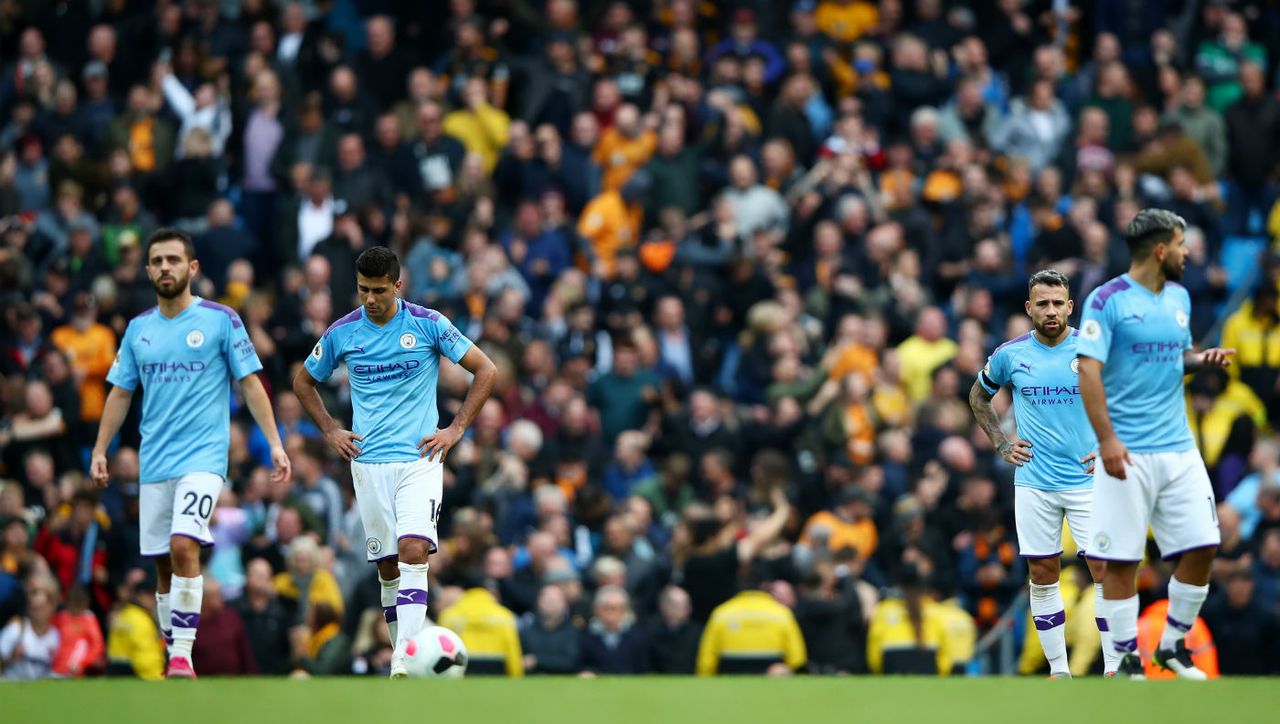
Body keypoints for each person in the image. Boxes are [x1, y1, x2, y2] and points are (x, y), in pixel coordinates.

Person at [90, 228, 293, 679]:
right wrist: (101, 449)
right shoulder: (138, 329)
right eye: (157, 261)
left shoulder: (221, 320)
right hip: (154, 461)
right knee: (163, 561)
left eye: (173, 260)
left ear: (192, 268)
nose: (165, 267)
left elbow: (251, 384)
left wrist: (275, 443)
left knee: (186, 544)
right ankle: (173, 653)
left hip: (203, 458)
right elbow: (121, 393)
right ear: (147, 270)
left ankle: (182, 654)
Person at [293, 246, 497, 678]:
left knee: (413, 550)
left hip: (420, 459)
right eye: (363, 290)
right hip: (368, 465)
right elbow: (303, 381)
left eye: (379, 290)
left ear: (398, 285)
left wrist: (456, 428)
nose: (370, 299)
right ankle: (405, 658)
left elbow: (486, 370)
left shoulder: (428, 324)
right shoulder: (343, 332)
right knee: (388, 565)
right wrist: (330, 429)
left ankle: (403, 660)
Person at [1077, 209, 1235, 680]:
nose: (1189, 254)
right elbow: (1088, 370)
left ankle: (1171, 645)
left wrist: (1199, 359)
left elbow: (1173, 357)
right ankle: (1126, 660)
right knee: (1123, 559)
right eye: (1183, 245)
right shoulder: (1106, 301)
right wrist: (1106, 439)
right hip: (1127, 448)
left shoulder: (1181, 297)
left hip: (1178, 447)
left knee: (1204, 544)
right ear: (1161, 250)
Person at [968, 269, 1115, 678]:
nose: (1051, 311)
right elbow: (979, 395)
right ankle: (1058, 671)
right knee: (1043, 573)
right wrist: (1000, 442)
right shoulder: (1010, 355)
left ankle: (1115, 667)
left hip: (1088, 481)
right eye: (1042, 304)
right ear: (1029, 308)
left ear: (1070, 307)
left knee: (1104, 570)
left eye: (1058, 303)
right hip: (1034, 482)